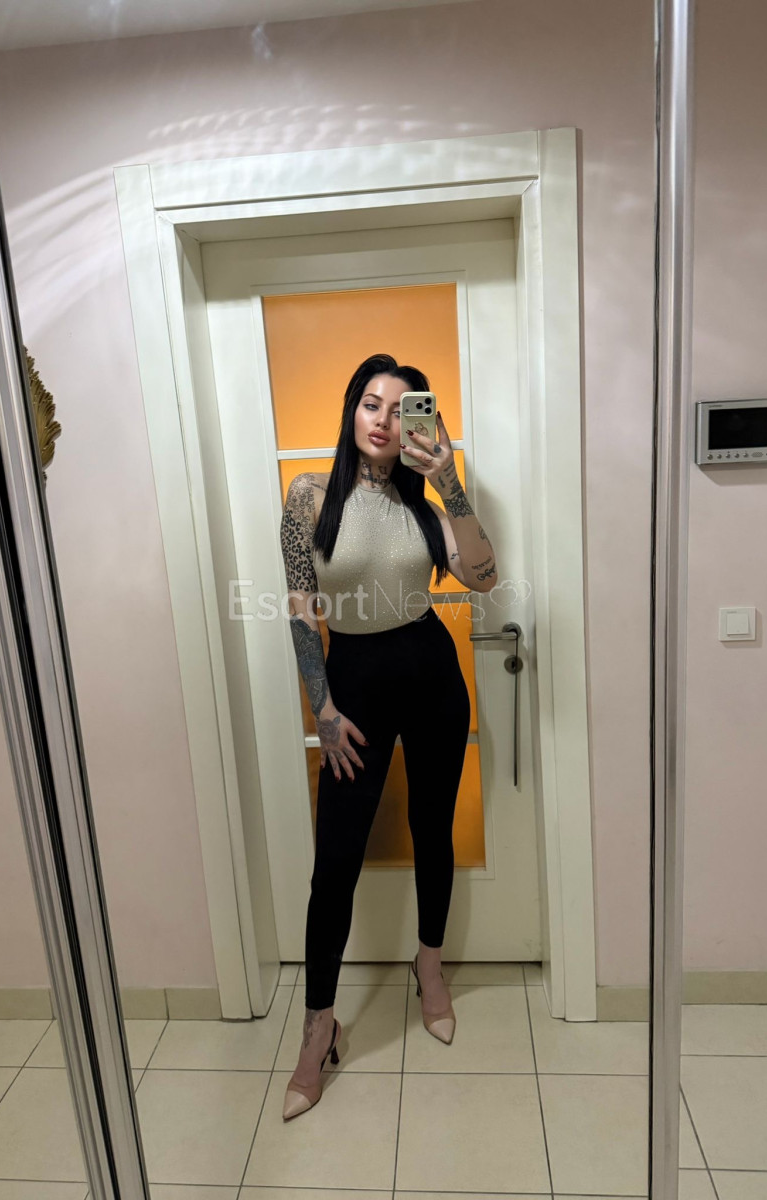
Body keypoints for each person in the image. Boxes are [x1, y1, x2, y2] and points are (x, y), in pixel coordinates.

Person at [277, 352, 498, 1120]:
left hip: (431, 673)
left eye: (400, 409)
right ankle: (319, 1028)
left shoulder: (423, 503)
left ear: (416, 426)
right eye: (371, 402)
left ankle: (428, 965)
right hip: (355, 684)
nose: (382, 418)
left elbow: (483, 576)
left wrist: (451, 483)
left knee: (433, 828)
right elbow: (301, 610)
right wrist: (323, 708)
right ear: (352, 410)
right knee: (335, 863)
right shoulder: (309, 496)